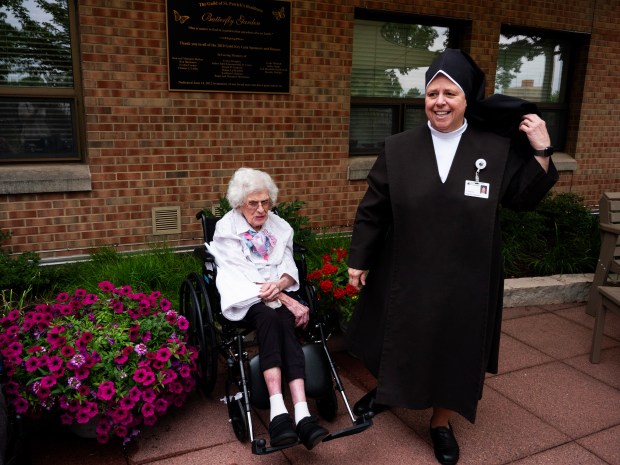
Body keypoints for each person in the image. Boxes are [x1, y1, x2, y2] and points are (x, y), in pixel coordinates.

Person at [345, 49, 559, 465]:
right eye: (432, 92)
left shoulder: (494, 148)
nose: (439, 101)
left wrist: (542, 149)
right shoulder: (399, 147)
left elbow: (521, 199)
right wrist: (359, 259)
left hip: (468, 275)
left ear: (467, 100)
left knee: (452, 347)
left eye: (450, 93)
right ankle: (389, 393)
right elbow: (374, 209)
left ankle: (440, 423)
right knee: (395, 335)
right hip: (405, 268)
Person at [208, 167, 329, 450]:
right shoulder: (227, 229)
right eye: (253, 203)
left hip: (276, 290)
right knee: (269, 316)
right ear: (239, 204)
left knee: (283, 320)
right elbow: (241, 273)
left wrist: (283, 284)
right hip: (246, 293)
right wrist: (287, 298)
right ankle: (278, 409)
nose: (261, 209)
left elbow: (287, 265)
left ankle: (299, 413)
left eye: (265, 202)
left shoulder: (279, 225)